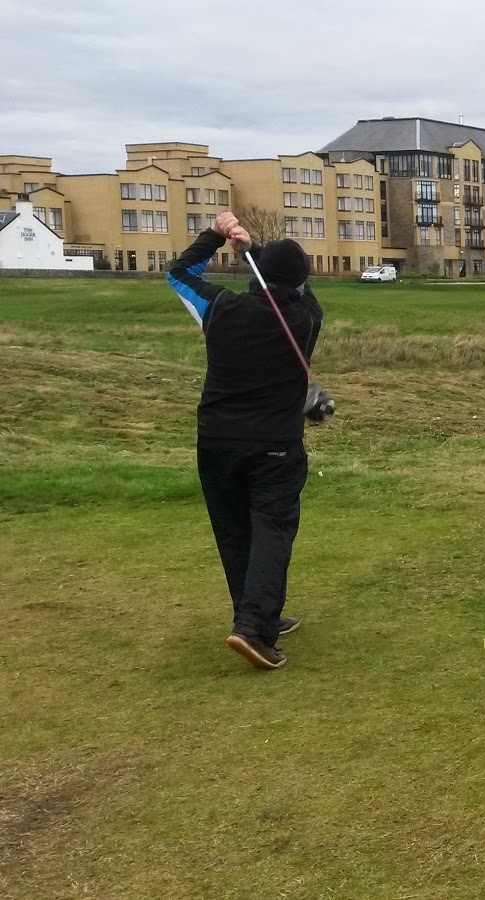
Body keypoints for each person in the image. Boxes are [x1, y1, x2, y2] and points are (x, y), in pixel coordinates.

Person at [167, 211, 324, 670]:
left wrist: (217, 237)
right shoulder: (308, 318)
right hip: (275, 446)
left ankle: (258, 616)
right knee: (271, 532)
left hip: (216, 441)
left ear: (256, 276)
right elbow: (296, 289)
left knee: (236, 531)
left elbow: (180, 274)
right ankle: (254, 628)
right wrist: (250, 250)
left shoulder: (217, 307)